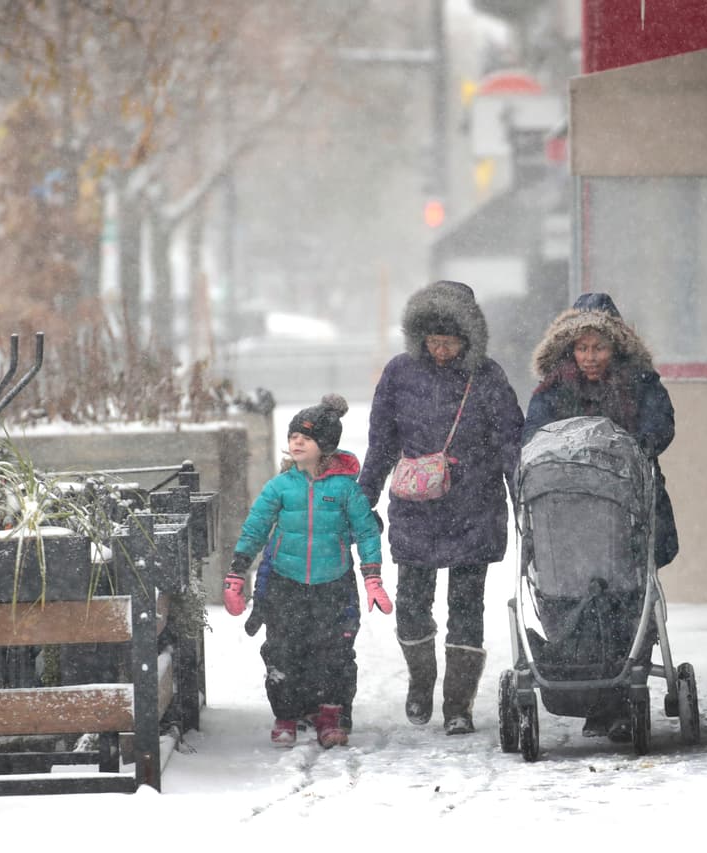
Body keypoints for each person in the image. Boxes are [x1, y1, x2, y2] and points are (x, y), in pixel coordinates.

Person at [359, 280, 525, 735]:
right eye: (432, 340)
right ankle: (422, 680)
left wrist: (521, 499)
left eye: (449, 340)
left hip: (475, 505)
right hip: (417, 508)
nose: (440, 349)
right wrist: (362, 499)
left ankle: (458, 705)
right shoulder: (398, 373)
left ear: (468, 337)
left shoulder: (487, 376)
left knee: (466, 608)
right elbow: (381, 444)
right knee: (412, 604)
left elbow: (511, 441)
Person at [523, 291, 678, 741]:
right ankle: (591, 692)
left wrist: (638, 445)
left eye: (600, 347)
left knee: (629, 598)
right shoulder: (553, 391)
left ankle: (618, 697)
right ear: (569, 349)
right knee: (571, 598)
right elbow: (535, 437)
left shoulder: (641, 384)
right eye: (582, 348)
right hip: (567, 521)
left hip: (626, 513)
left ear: (617, 347)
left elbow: (659, 425)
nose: (590, 357)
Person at [222, 394, 389, 749]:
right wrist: (237, 572)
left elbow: (367, 531)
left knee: (334, 652)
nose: (296, 442)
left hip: (333, 583)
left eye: (306, 437)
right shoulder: (280, 487)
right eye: (293, 435)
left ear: (325, 446)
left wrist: (372, 576)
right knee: (283, 650)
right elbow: (255, 527)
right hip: (287, 583)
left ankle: (330, 716)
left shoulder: (345, 489)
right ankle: (286, 715)